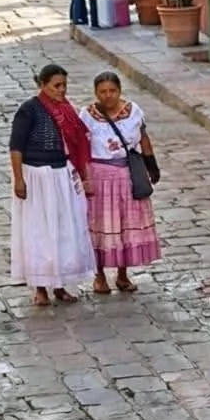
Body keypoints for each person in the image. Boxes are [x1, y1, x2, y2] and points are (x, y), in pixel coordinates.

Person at [9, 63, 95, 307]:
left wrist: (83, 175)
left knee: (63, 229)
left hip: (61, 174)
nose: (61, 90)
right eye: (56, 86)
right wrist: (19, 179)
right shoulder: (29, 110)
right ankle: (40, 288)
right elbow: (16, 146)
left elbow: (78, 144)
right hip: (37, 176)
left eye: (64, 85)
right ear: (43, 85)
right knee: (39, 231)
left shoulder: (67, 110)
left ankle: (60, 285)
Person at [81, 70, 161, 294]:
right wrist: (83, 176)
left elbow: (144, 139)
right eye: (103, 92)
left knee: (124, 226)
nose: (108, 96)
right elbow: (81, 147)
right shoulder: (87, 115)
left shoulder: (133, 112)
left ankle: (122, 275)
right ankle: (99, 276)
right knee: (100, 226)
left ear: (119, 90)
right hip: (99, 177)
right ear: (96, 93)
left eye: (112, 91)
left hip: (126, 176)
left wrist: (151, 165)